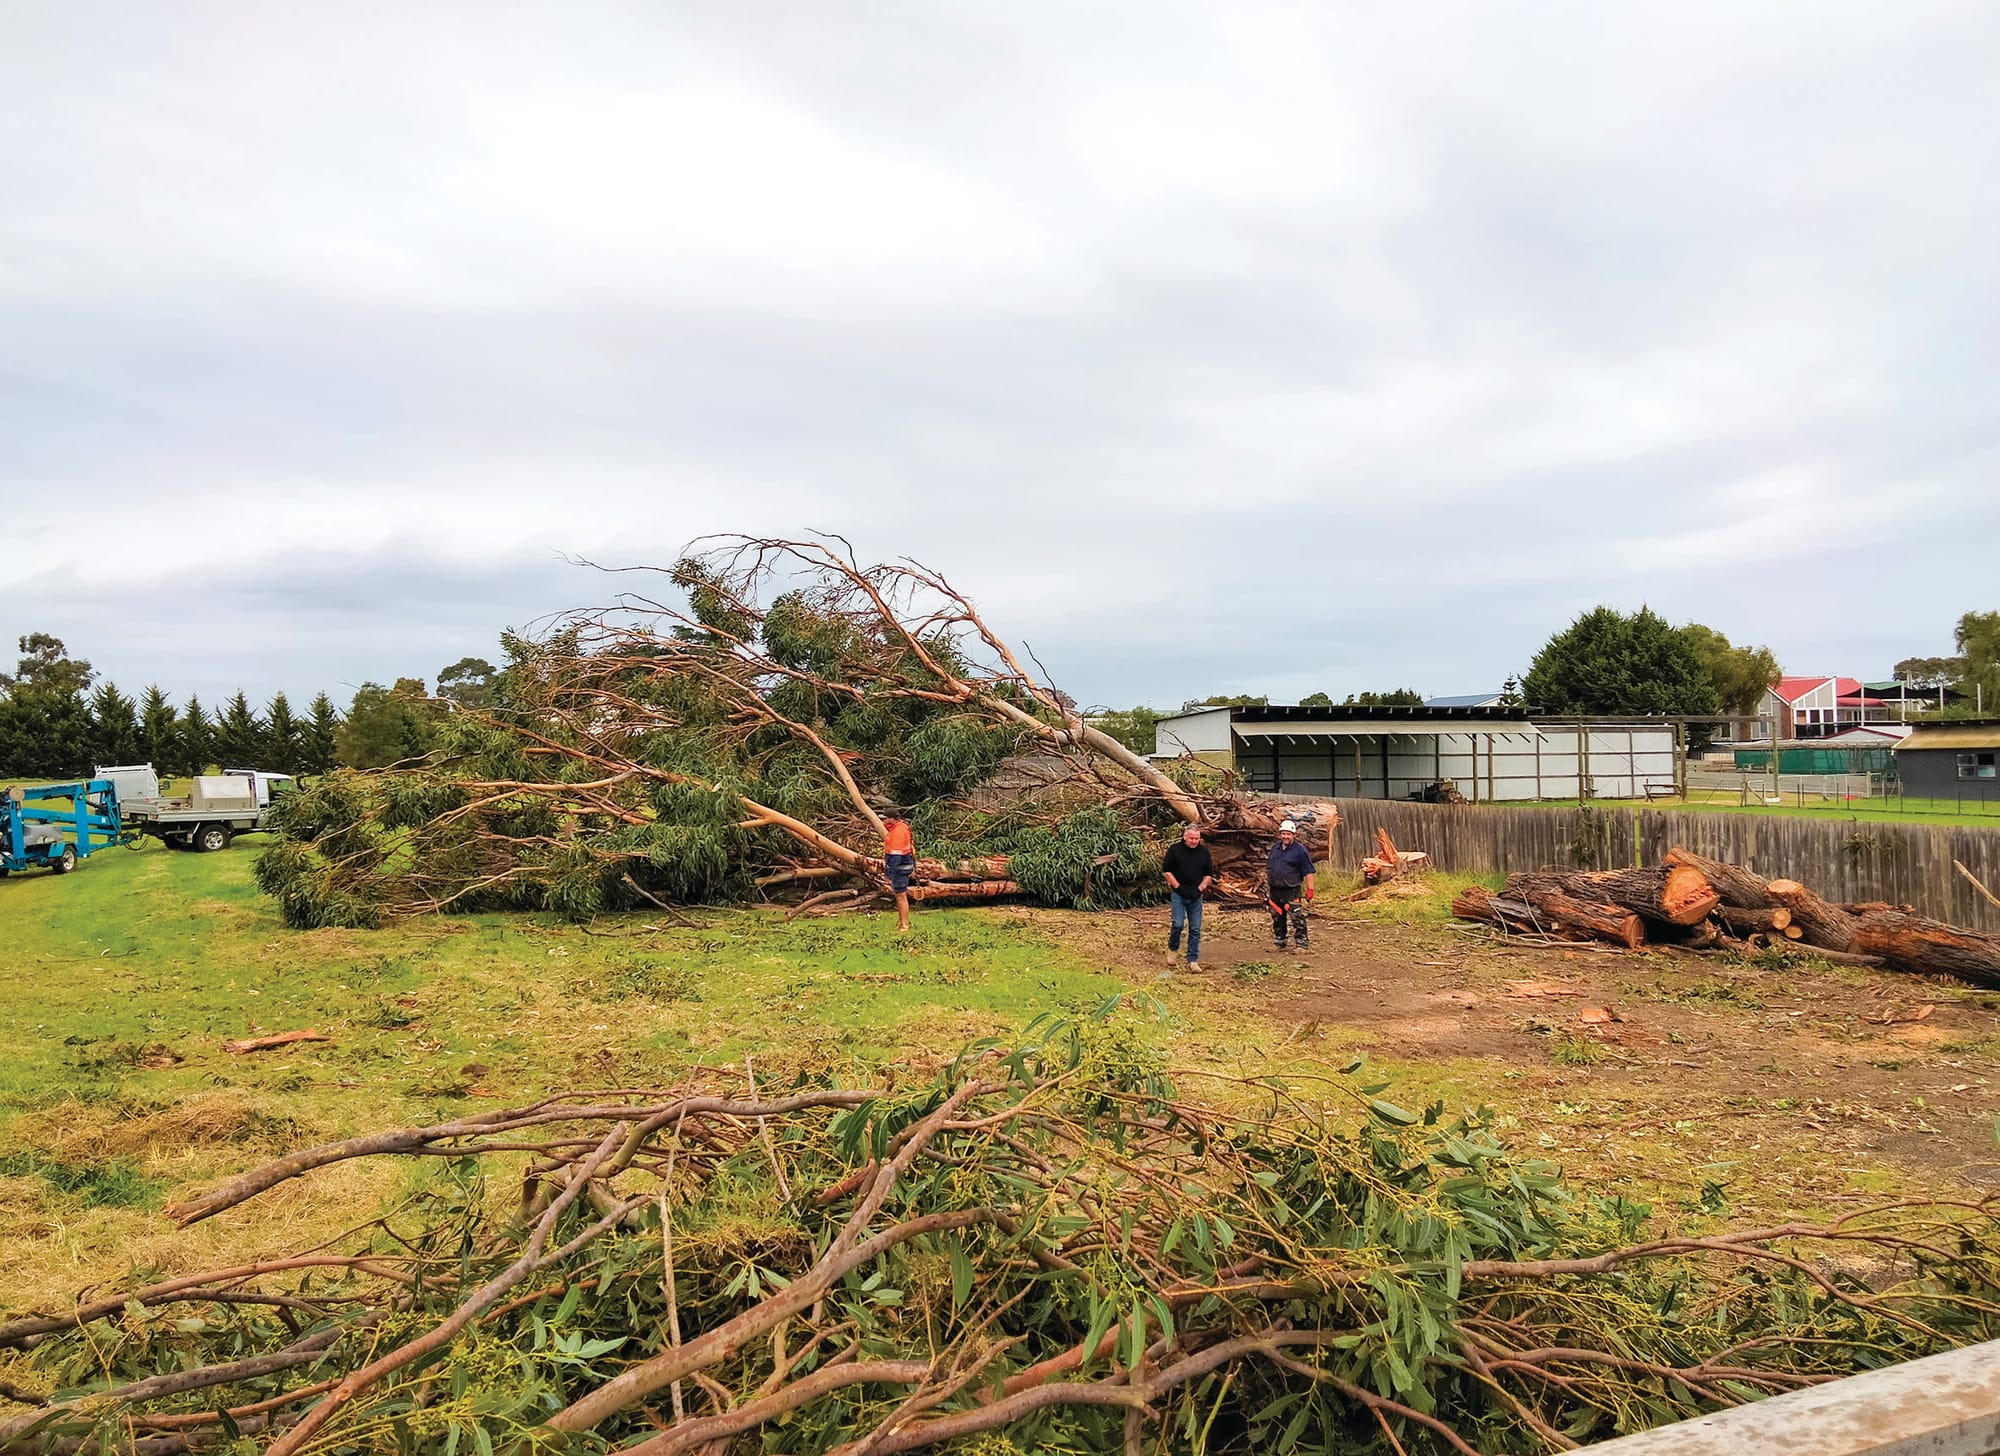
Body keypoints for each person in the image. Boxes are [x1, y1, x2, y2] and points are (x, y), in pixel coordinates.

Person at [1160, 822, 1215, 972]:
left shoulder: (1203, 853)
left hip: (1196, 895)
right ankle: (1173, 949)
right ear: (1185, 837)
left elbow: (1209, 874)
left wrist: (1201, 888)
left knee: (1195, 928)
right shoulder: (1175, 850)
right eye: (1191, 838)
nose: (1194, 841)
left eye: (1197, 839)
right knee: (1178, 924)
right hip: (1179, 893)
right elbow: (1166, 871)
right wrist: (1177, 886)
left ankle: (1193, 960)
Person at [1266, 819, 1315, 951]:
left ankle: (1301, 944)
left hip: (1291, 890)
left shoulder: (1300, 851)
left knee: (1296, 917)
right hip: (1275, 890)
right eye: (1283, 834)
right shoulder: (1275, 848)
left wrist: (1310, 889)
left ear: (1293, 835)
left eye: (1288, 834)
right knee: (1277, 917)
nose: (1285, 837)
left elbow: (1309, 871)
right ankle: (1280, 943)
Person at [882, 813, 916, 933]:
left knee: (901, 895)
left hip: (900, 867)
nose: (884, 821)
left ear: (893, 819)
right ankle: (901, 921)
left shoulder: (898, 832)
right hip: (902, 865)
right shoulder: (900, 828)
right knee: (899, 894)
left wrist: (889, 874)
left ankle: (905, 924)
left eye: (886, 818)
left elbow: (896, 855)